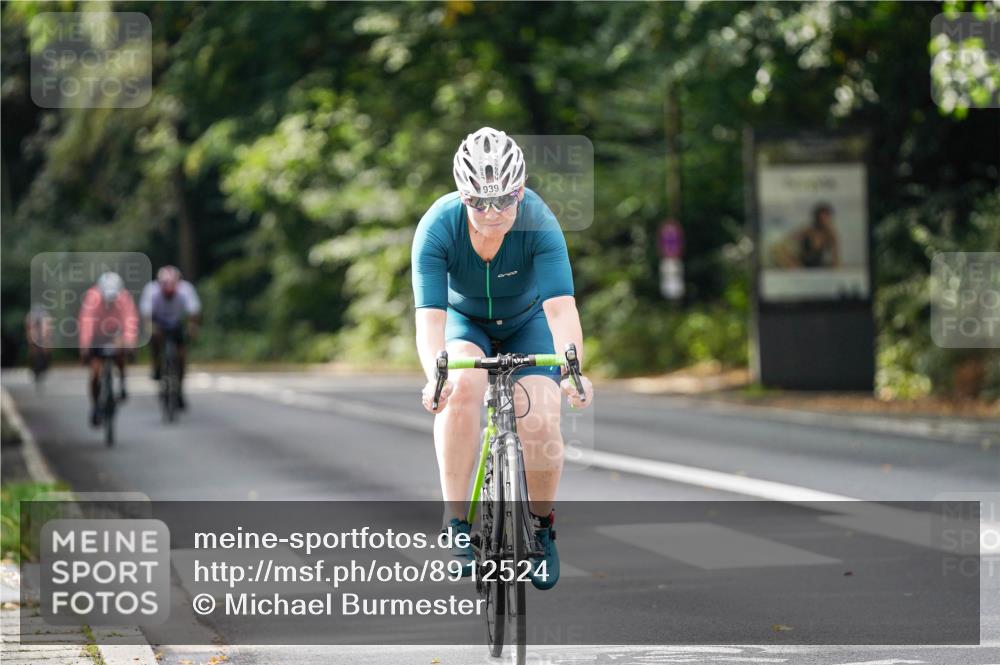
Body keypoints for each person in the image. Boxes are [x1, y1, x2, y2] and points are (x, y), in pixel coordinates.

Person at [411, 127, 594, 591]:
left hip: (527, 322)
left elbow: (560, 308)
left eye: (504, 202)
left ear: (521, 190)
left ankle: (542, 528)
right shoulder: (437, 226)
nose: (492, 215)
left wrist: (574, 371)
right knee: (462, 388)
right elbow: (430, 318)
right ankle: (456, 525)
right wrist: (436, 375)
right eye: (478, 203)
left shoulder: (540, 220)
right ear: (461, 195)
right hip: (464, 323)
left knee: (539, 418)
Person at [78, 272, 139, 427]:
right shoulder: (92, 298)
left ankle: (122, 380)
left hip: (115, 334)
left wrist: (130, 343)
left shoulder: (124, 297)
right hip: (97, 335)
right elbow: (86, 323)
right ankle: (95, 406)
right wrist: (85, 347)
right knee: (95, 372)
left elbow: (130, 320)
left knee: (120, 351)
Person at [140, 266, 201, 409]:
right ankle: (156, 366)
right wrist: (150, 327)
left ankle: (179, 387)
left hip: (176, 324)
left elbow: (194, 311)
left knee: (181, 355)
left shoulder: (185, 289)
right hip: (159, 323)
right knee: (154, 339)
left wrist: (193, 326)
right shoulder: (151, 290)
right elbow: (146, 314)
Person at [772, 202, 841, 269]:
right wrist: (791, 261)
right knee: (778, 250)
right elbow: (786, 241)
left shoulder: (830, 234)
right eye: (821, 218)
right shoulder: (808, 231)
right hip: (802, 265)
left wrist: (834, 266)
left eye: (826, 218)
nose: (823, 221)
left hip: (818, 266)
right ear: (816, 218)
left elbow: (835, 256)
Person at [25, 304, 54, 383]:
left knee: (46, 352)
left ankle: (45, 367)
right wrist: (30, 339)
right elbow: (28, 328)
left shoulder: (46, 317)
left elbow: (49, 330)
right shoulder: (31, 316)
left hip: (43, 337)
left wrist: (48, 341)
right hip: (35, 336)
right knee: (32, 353)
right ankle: (33, 367)